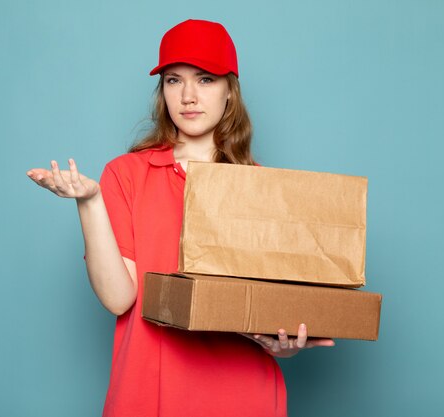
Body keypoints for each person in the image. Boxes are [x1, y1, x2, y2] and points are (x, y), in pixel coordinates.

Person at [26, 19, 334, 417]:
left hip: (244, 395)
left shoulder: (261, 186)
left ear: (229, 92)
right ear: (163, 92)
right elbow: (120, 299)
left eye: (205, 80)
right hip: (150, 394)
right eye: (174, 80)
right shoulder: (126, 175)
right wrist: (89, 202)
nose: (188, 96)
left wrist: (282, 344)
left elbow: (267, 308)